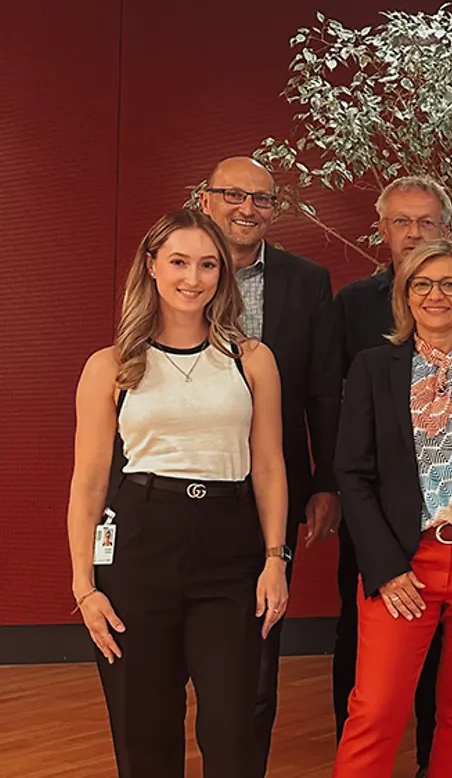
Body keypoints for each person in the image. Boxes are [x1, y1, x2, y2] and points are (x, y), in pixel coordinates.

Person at [67, 209, 291, 778]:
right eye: (179, 262)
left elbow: (269, 467)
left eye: (208, 265)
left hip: (231, 549)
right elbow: (89, 482)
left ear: (223, 274)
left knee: (235, 728)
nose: (193, 278)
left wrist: (275, 559)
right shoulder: (111, 366)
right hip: (139, 547)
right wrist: (84, 586)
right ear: (151, 266)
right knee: (144, 730)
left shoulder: (252, 360)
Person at [334, 176, 452, 778]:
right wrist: (383, 567)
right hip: (403, 562)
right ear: (405, 295)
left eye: (450, 284)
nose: (436, 295)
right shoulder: (373, 367)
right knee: (376, 710)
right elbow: (351, 472)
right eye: (422, 284)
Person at [198, 156, 342, 776]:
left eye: (261, 198)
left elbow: (323, 391)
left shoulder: (307, 282)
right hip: (179, 486)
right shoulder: (173, 270)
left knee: (259, 647)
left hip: (271, 489)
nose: (247, 209)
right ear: (205, 200)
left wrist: (326, 481)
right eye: (233, 194)